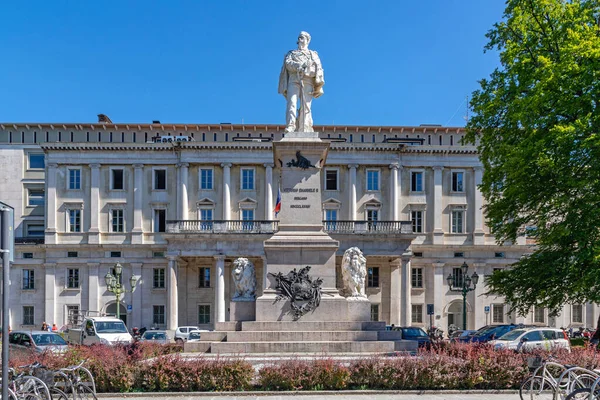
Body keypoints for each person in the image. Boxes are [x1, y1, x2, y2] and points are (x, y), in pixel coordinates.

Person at [278, 31, 325, 133]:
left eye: (302, 38)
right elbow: (288, 63)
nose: (300, 39)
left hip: (307, 81)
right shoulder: (291, 54)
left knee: (306, 105)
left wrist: (307, 71)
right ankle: (291, 126)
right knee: (292, 103)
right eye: (299, 37)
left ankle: (304, 127)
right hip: (293, 80)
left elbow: (318, 70)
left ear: (307, 41)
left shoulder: (313, 55)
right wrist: (298, 67)